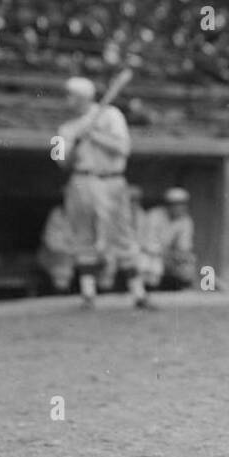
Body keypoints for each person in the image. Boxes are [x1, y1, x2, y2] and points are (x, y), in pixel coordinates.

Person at [55, 76, 148, 309]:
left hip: (110, 180)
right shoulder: (65, 128)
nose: (67, 100)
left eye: (70, 95)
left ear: (82, 97)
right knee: (82, 235)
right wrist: (76, 143)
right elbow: (61, 162)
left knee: (122, 234)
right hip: (81, 180)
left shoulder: (111, 115)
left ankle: (138, 294)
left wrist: (94, 135)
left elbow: (123, 148)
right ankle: (88, 294)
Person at [147, 187, 197, 290]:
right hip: (149, 254)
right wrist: (167, 255)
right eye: (175, 204)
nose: (179, 207)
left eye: (182, 204)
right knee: (153, 267)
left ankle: (179, 292)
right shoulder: (154, 215)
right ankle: (149, 291)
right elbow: (148, 244)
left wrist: (181, 257)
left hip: (168, 256)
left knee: (188, 264)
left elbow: (184, 247)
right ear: (168, 205)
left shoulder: (185, 220)